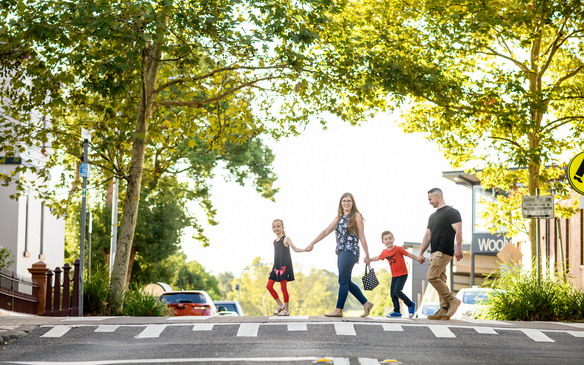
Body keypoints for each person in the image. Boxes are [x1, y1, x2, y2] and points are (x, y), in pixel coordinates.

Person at [305, 192, 374, 317]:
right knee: (345, 280)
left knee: (343, 280)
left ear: (352, 203)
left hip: (351, 251)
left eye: (348, 201)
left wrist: (367, 255)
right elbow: (326, 231)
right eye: (344, 201)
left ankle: (338, 310)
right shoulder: (339, 217)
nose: (346, 203)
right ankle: (366, 303)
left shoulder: (356, 216)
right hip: (341, 252)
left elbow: (362, 236)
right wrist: (312, 243)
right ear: (341, 203)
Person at [417, 187, 463, 320]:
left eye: (430, 199)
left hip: (444, 251)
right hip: (434, 252)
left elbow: (458, 231)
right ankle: (443, 308)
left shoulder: (452, 212)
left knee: (431, 277)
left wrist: (459, 248)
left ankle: (452, 300)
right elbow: (427, 235)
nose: (429, 202)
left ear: (437, 196)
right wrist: (421, 253)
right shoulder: (432, 216)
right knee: (440, 279)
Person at [366, 230, 423, 318]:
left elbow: (409, 254)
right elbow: (378, 257)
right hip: (394, 275)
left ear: (393, 239)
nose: (388, 240)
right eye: (386, 239)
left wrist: (418, 258)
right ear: (383, 241)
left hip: (403, 274)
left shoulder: (398, 249)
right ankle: (397, 312)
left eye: (390, 238)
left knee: (397, 291)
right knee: (393, 294)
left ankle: (410, 304)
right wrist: (369, 259)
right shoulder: (384, 252)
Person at [267, 219, 305, 316]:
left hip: (284, 267)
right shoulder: (274, 241)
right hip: (276, 267)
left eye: (278, 226)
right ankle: (280, 304)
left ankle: (286, 310)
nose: (276, 228)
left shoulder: (286, 239)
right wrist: (272, 269)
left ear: (283, 228)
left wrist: (305, 250)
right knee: (269, 286)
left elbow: (295, 249)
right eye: (274, 227)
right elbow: (276, 256)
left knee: (283, 287)